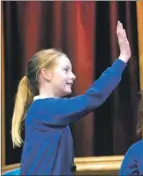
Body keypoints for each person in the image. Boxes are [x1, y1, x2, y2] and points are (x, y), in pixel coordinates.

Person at [11, 21, 131, 175]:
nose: (73, 76)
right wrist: (122, 59)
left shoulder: (48, 111)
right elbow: (91, 99)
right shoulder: (44, 109)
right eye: (66, 70)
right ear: (45, 73)